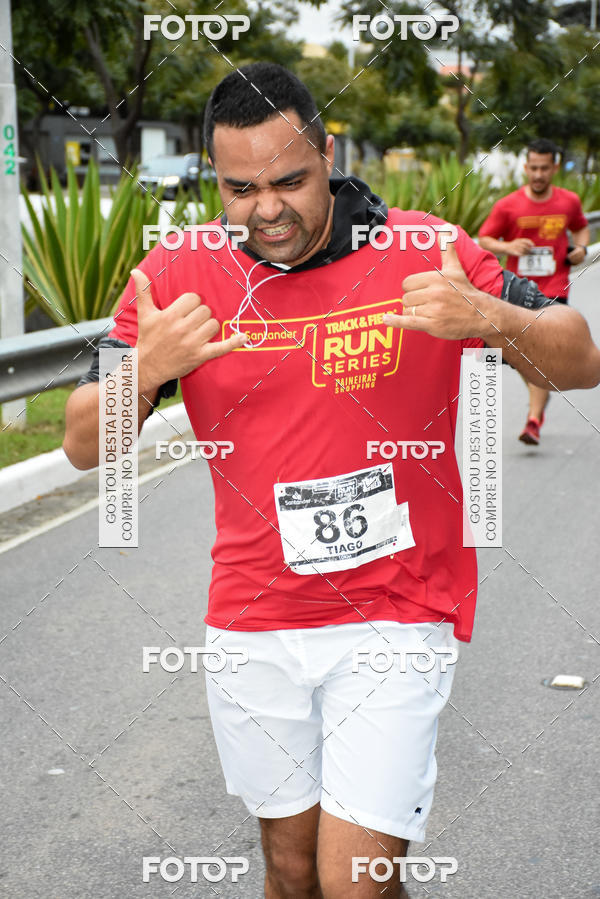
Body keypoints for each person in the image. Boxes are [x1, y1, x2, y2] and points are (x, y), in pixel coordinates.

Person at [63, 65, 600, 898]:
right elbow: (79, 444)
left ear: (329, 153)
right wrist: (145, 371)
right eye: (241, 188)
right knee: (287, 867)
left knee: (355, 880)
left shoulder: (424, 249)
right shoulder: (176, 274)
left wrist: (492, 318)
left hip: (397, 608)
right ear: (216, 180)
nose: (267, 209)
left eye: (290, 180)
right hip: (253, 616)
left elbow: (581, 357)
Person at [479, 138, 590, 445]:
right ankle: (538, 400)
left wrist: (579, 247)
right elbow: (485, 238)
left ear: (554, 168)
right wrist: (508, 246)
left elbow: (580, 227)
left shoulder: (568, 201)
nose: (539, 174)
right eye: (534, 168)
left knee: (539, 354)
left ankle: (533, 420)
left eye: (545, 168)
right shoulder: (508, 205)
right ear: (526, 168)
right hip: (517, 291)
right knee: (521, 356)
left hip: (554, 288)